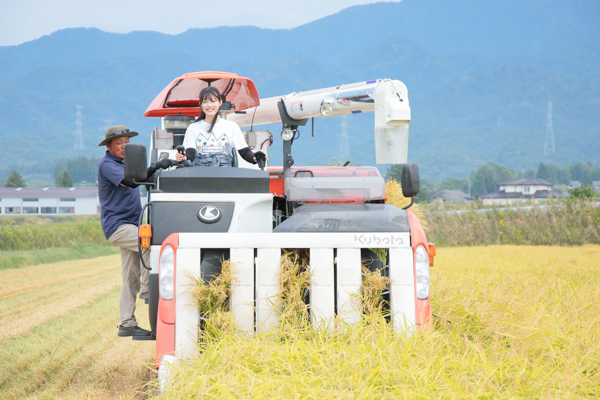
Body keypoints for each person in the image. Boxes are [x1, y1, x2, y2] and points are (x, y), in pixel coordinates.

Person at [98, 125, 170, 337]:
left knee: (130, 278)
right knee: (146, 240)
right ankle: (149, 288)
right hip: (118, 226)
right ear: (109, 146)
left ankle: (127, 324)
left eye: (126, 143)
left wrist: (160, 168)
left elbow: (141, 178)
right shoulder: (107, 164)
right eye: (119, 143)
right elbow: (131, 182)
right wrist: (156, 165)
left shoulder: (125, 162)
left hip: (132, 225)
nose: (123, 146)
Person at [175, 86, 265, 166]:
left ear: (220, 103)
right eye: (205, 102)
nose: (209, 105)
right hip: (200, 172)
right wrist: (183, 157)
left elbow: (244, 151)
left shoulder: (231, 127)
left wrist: (256, 158)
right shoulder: (193, 128)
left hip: (225, 173)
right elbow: (190, 154)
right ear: (200, 105)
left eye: (213, 101)